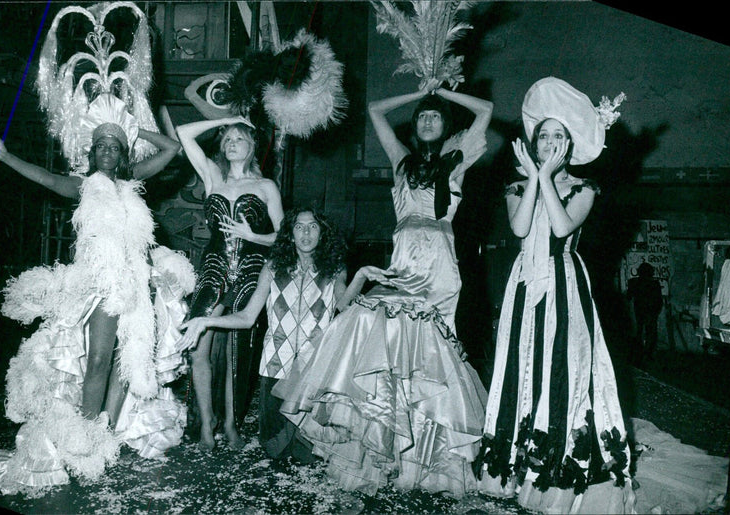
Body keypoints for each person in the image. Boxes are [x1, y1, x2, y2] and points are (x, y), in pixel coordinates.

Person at [269, 82, 493, 497]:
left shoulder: (456, 163)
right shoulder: (401, 162)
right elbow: (374, 108)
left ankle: (429, 460)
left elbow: (486, 109)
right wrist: (418, 93)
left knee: (431, 359)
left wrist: (443, 91)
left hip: (441, 267)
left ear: (445, 125)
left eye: (435, 116)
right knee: (383, 342)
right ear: (414, 126)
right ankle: (385, 450)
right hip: (405, 262)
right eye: (422, 116)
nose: (427, 119)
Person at [0, 96, 188, 495]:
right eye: (100, 145)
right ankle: (83, 442)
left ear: (123, 154)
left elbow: (172, 148)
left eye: (114, 145)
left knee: (130, 360)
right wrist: (3, 155)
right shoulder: (82, 185)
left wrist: (136, 130)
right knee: (99, 360)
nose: (106, 151)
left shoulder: (133, 180)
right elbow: (42, 176)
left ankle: (108, 435)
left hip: (136, 282)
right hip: (100, 285)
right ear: (92, 152)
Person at [472, 77, 634, 513]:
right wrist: (532, 180)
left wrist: (543, 176)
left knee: (562, 367)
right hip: (525, 283)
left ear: (569, 144)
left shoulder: (584, 189)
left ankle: (561, 463)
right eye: (542, 135)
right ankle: (518, 462)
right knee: (520, 364)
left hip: (564, 284)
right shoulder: (515, 187)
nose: (547, 141)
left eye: (557, 136)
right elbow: (521, 229)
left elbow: (562, 227)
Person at [177, 207, 388, 462]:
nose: (306, 233)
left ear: (322, 233)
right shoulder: (272, 268)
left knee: (309, 454)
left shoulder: (334, 269)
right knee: (273, 448)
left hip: (314, 368)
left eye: (312, 226)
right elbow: (246, 318)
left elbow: (344, 304)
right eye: (299, 227)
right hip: (275, 367)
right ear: (290, 234)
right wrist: (205, 321)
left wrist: (362, 275)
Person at [176, 116, 284, 451]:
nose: (232, 142)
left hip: (251, 268)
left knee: (239, 353)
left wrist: (254, 235)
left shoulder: (266, 186)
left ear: (253, 147)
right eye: (228, 139)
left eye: (240, 138)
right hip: (214, 267)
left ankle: (230, 424)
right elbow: (183, 131)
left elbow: (285, 237)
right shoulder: (213, 176)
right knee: (197, 348)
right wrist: (230, 119)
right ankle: (206, 424)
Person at [627, 262, 663, 364]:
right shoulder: (654, 284)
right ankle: (648, 355)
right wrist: (656, 312)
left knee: (639, 333)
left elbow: (628, 297)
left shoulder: (634, 282)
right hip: (650, 312)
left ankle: (640, 354)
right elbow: (659, 300)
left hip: (639, 312)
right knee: (650, 334)